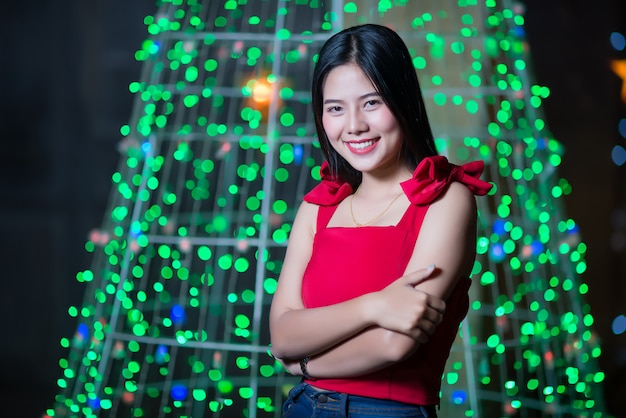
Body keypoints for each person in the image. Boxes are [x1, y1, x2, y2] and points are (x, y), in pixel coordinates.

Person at [269, 23, 492, 418]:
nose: (353, 125)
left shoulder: (446, 199)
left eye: (372, 103)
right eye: (335, 108)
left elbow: (395, 343)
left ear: (402, 100)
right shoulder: (318, 208)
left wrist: (305, 366)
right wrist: (374, 306)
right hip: (301, 409)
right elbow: (283, 336)